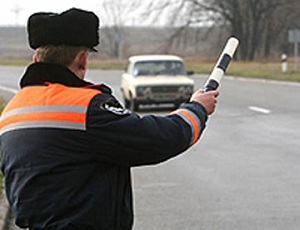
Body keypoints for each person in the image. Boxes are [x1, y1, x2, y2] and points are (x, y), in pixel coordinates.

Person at [0, 8, 219, 230]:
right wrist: (197, 108)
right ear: (82, 59)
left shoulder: (12, 110)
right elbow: (160, 138)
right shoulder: (86, 108)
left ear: (36, 58)